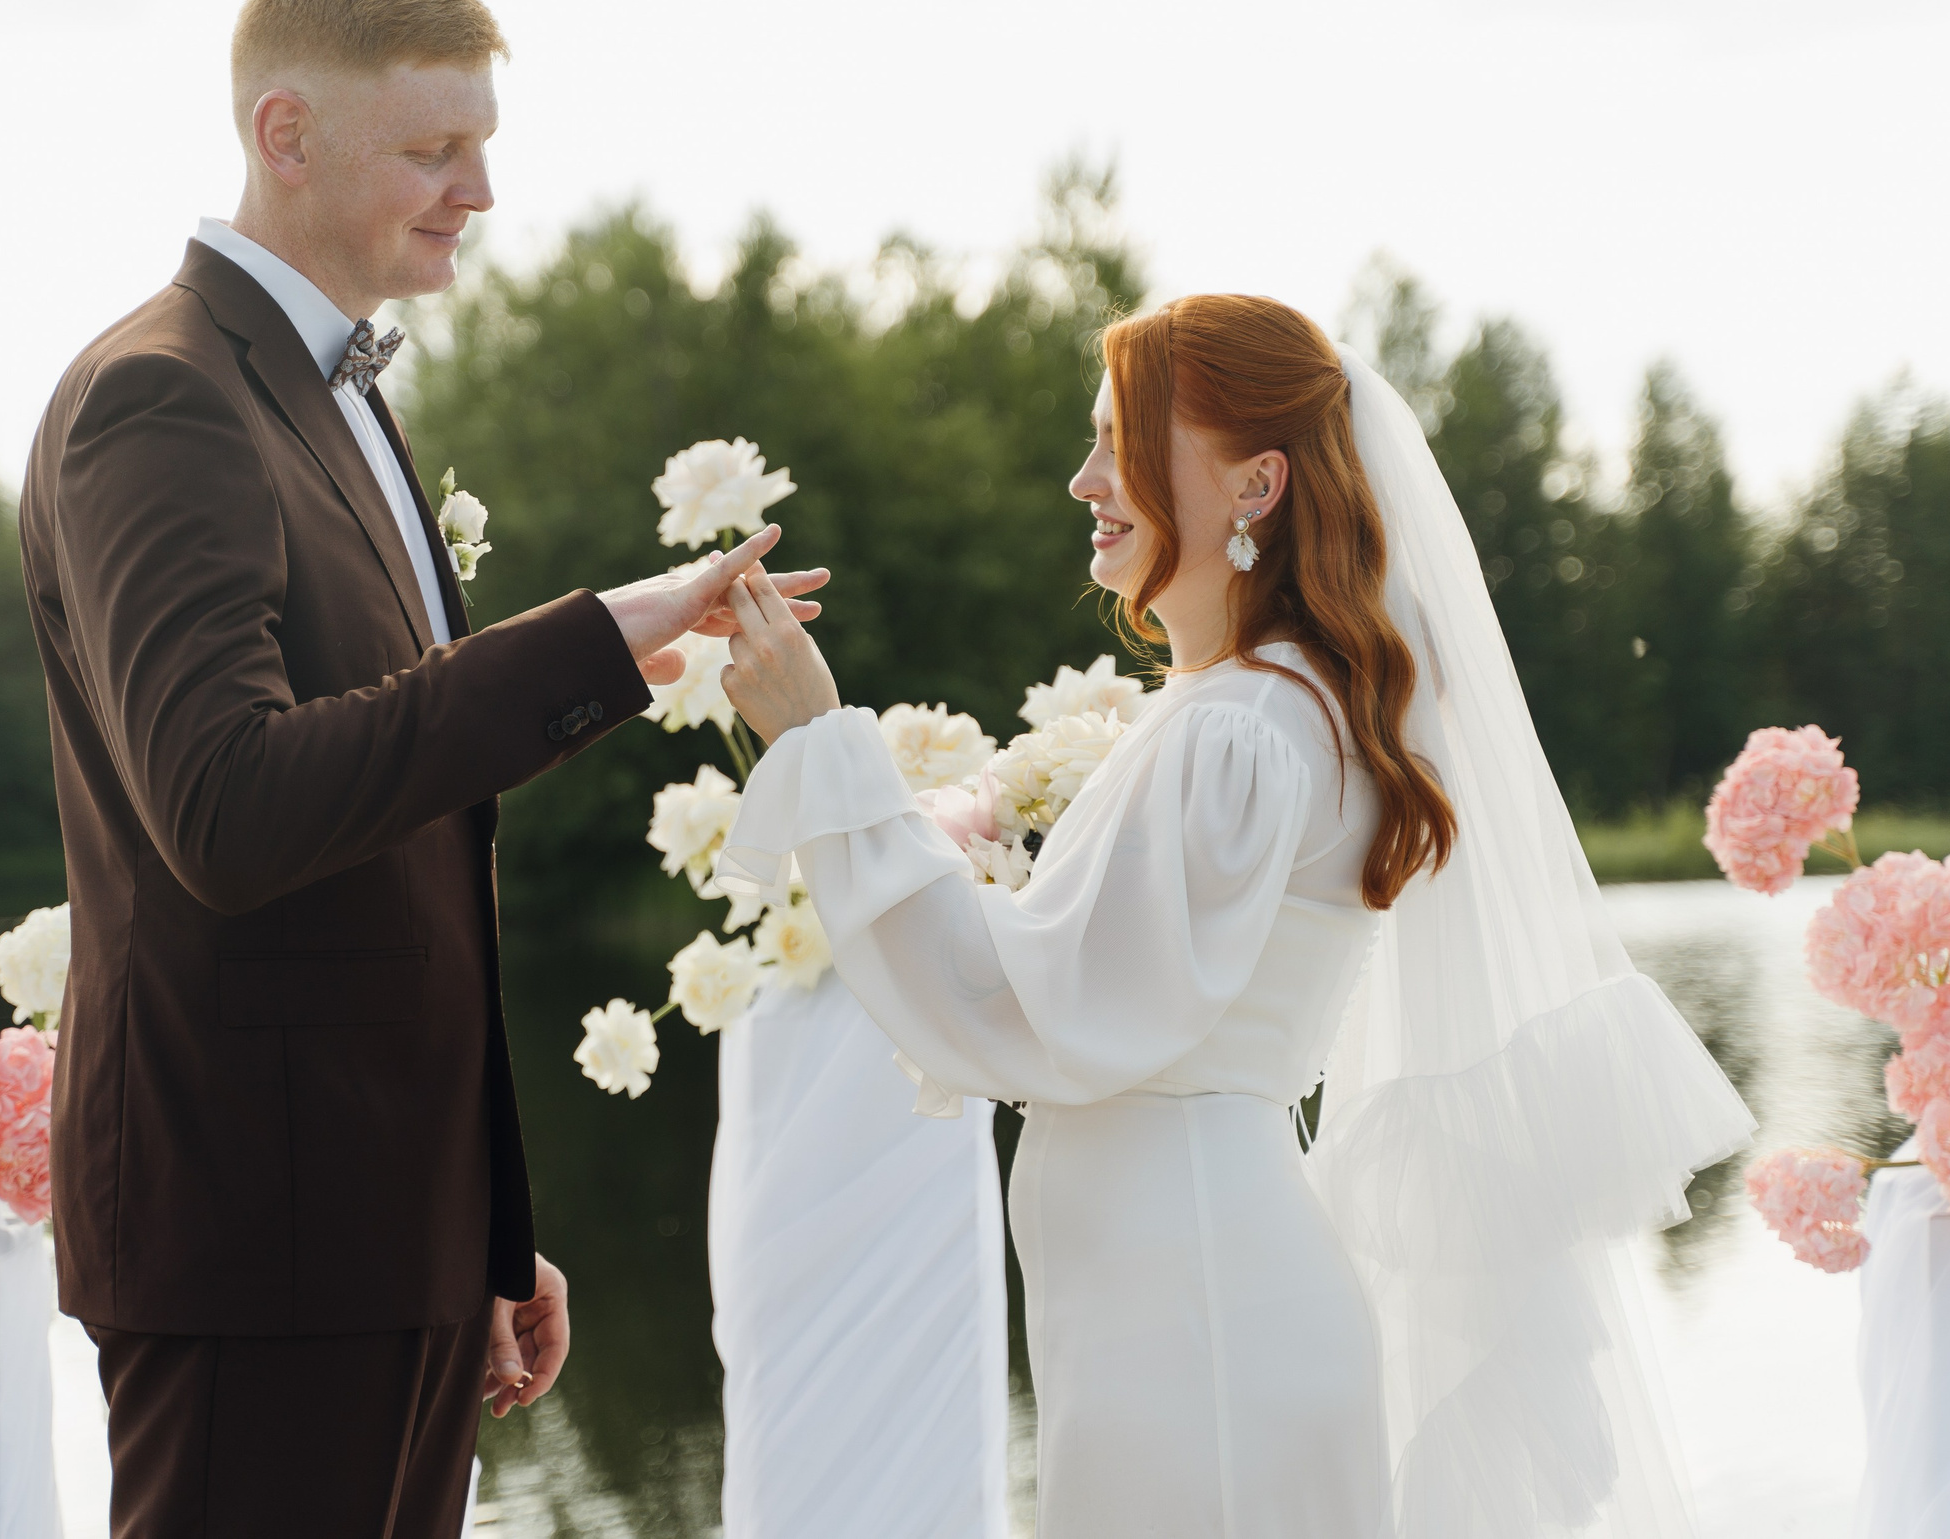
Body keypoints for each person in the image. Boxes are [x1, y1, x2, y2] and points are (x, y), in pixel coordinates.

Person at [17, 0, 825, 1538]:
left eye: (484, 148)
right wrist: (594, 637)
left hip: (374, 1230)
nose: (478, 190)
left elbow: (403, 860)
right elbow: (229, 804)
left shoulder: (339, 396)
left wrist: (475, 1224)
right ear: (286, 133)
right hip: (258, 1235)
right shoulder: (161, 398)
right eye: (434, 147)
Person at [711, 294, 1757, 1535]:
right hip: (1179, 1295)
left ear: (1255, 484)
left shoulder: (1239, 729)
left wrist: (825, 749)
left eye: (1121, 441)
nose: (1081, 477)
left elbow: (1024, 1011)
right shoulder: (1254, 708)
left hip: (1194, 1312)